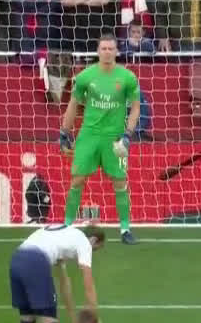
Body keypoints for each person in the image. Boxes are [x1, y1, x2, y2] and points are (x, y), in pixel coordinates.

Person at [59, 34, 142, 244]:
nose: (107, 52)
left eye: (110, 49)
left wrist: (128, 134)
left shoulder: (128, 77)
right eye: (103, 48)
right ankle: (67, 226)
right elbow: (73, 104)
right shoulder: (85, 77)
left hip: (115, 138)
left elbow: (135, 108)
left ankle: (125, 230)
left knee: (120, 182)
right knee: (77, 179)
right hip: (89, 135)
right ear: (98, 51)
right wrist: (64, 132)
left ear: (116, 51)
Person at [10, 223, 106, 323]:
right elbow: (88, 283)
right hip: (36, 262)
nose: (91, 252)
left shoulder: (65, 237)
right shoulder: (84, 242)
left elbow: (64, 283)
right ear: (93, 240)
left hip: (17, 259)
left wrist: (75, 320)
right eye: (95, 249)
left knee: (27, 320)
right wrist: (93, 318)